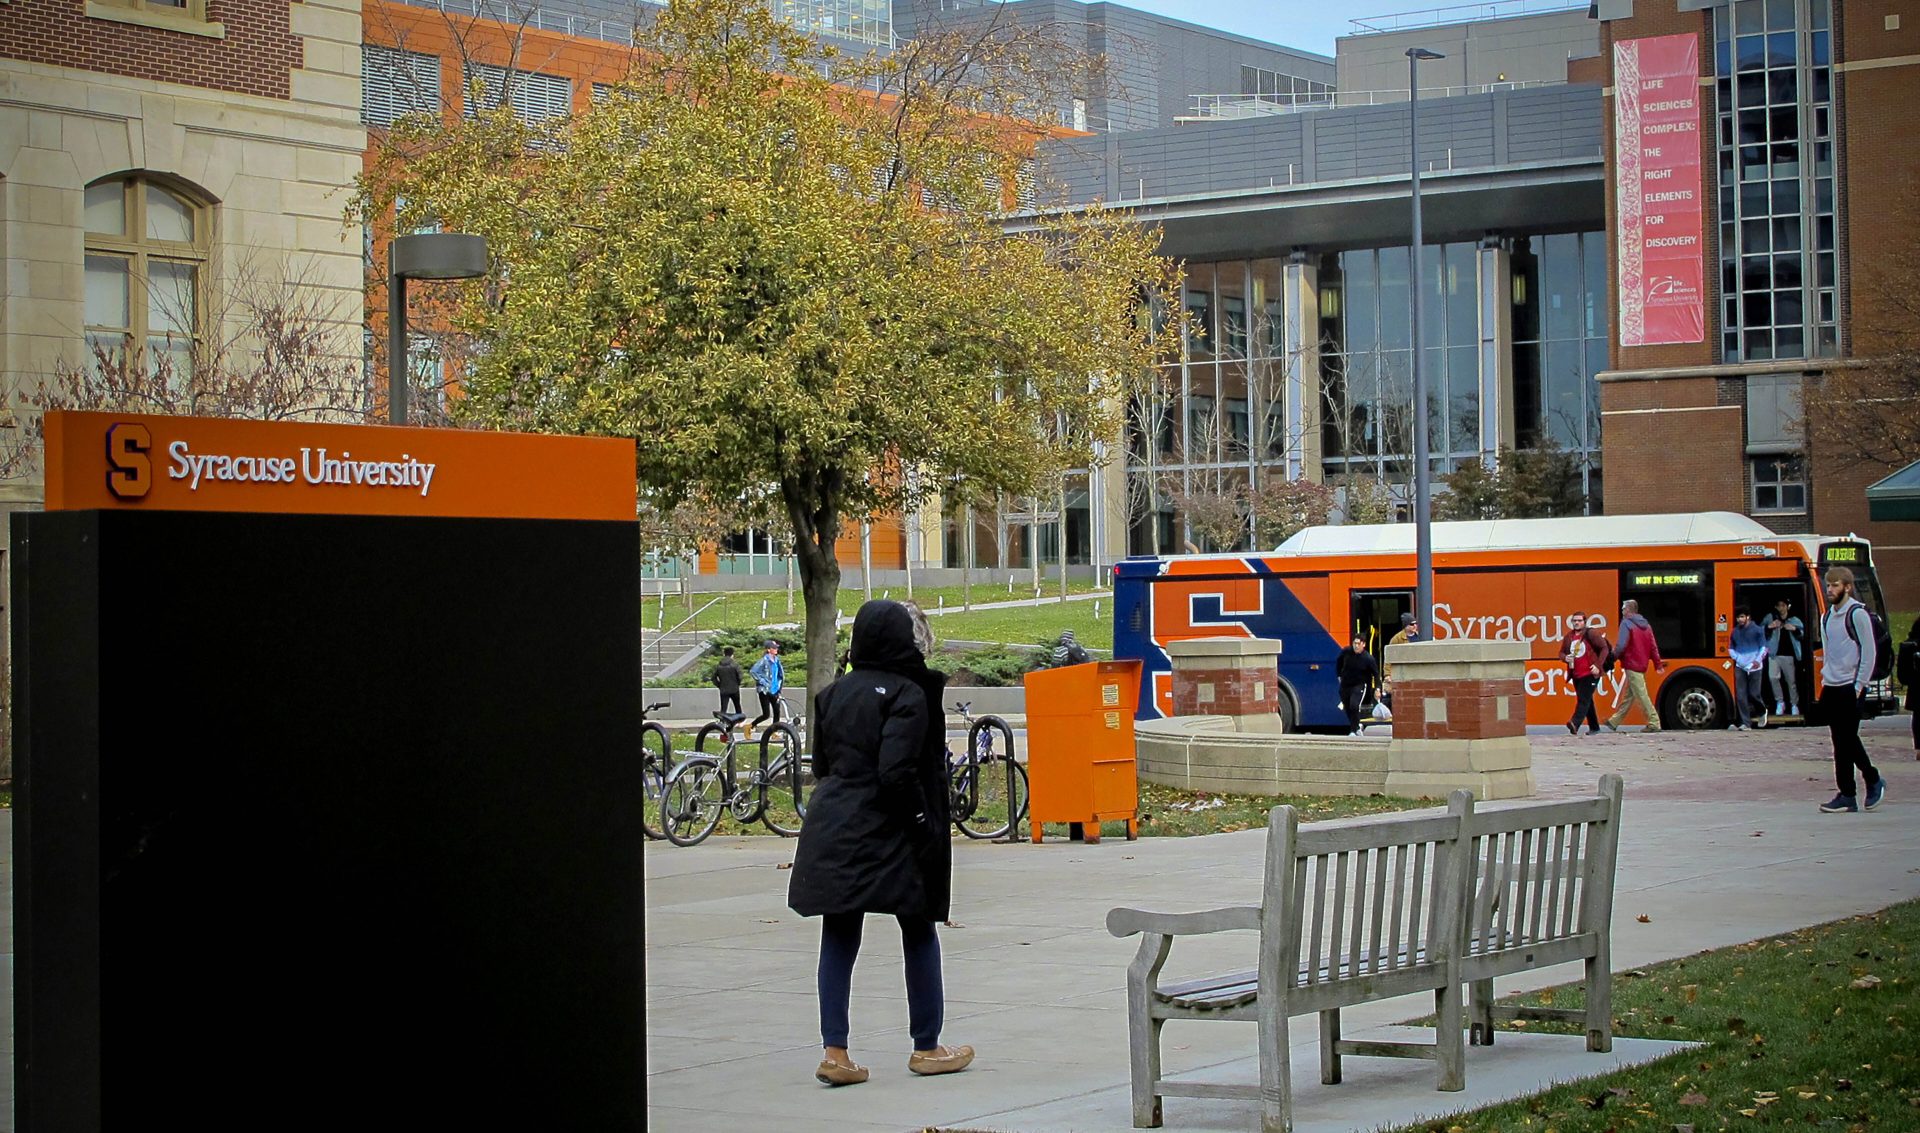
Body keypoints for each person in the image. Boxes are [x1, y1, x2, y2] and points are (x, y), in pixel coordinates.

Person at [787, 600, 972, 1085]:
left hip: (834, 826)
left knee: (840, 934)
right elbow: (897, 771)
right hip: (891, 831)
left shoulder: (832, 695)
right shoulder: (908, 694)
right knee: (918, 928)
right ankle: (927, 1046)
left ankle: (836, 1053)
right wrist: (922, 822)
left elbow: (823, 766)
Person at [1817, 567, 1884, 813]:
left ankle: (1853, 790)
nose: (1830, 590)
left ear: (1847, 587)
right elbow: (1829, 652)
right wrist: (1826, 679)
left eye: (1835, 586)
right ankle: (1863, 784)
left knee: (1845, 740)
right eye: (1828, 586)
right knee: (1842, 740)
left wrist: (1859, 686)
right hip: (1832, 685)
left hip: (1850, 686)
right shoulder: (1827, 617)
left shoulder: (1856, 614)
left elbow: (1869, 651)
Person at [1604, 599, 1666, 733]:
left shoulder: (1626, 623)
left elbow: (1621, 645)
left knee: (1641, 694)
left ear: (1628, 610)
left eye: (1623, 609)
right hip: (1642, 664)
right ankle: (1614, 721)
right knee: (1630, 695)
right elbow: (1653, 646)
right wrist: (1657, 664)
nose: (1621, 611)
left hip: (1631, 663)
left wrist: (1613, 657)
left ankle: (1654, 721)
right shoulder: (1647, 626)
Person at [1559, 611, 1610, 735]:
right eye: (1574, 620)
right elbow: (1561, 653)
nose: (1576, 623)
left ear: (1584, 622)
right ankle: (1594, 727)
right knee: (1587, 700)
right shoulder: (1569, 637)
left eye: (1579, 620)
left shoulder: (1591, 634)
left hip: (1591, 673)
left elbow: (1604, 648)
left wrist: (1598, 665)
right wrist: (1565, 658)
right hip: (1576, 674)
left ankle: (1575, 723)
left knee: (1583, 699)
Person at [1762, 599, 1804, 717]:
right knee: (1773, 678)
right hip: (1773, 654)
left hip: (1789, 655)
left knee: (1791, 681)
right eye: (1779, 605)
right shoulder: (1770, 618)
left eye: (1783, 605)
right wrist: (1769, 627)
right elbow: (1760, 631)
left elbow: (1804, 633)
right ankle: (1780, 702)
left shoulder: (1794, 620)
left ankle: (1794, 704)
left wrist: (1794, 629)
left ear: (1787, 607)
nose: (1781, 608)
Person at [1728, 608, 1768, 731]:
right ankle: (1746, 723)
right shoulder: (1734, 632)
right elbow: (1731, 648)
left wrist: (1756, 661)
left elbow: (1764, 648)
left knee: (1754, 694)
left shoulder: (1757, 630)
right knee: (1741, 695)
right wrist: (1738, 659)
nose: (1739, 620)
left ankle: (1762, 711)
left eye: (1742, 617)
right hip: (1740, 667)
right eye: (1738, 617)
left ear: (1748, 617)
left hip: (1755, 667)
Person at [1335, 634, 1379, 736]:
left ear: (1363, 644)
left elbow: (1376, 674)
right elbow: (1339, 661)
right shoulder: (1346, 652)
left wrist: (1377, 688)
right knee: (1347, 707)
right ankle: (1357, 726)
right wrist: (1339, 675)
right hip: (1345, 685)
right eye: (1354, 643)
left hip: (1359, 685)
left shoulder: (1368, 658)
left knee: (1354, 705)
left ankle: (1353, 730)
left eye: (1358, 644)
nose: (1356, 646)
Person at [745, 639, 784, 740]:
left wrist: (779, 688)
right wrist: (763, 681)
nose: (776, 650)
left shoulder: (777, 660)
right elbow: (753, 671)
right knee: (766, 714)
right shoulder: (764, 661)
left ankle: (774, 732)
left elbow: (780, 675)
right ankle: (750, 726)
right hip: (765, 691)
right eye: (774, 648)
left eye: (776, 648)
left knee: (777, 711)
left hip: (775, 690)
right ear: (768, 650)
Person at [1382, 612, 1418, 705]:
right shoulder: (1397, 639)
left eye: (1415, 623)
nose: (1415, 626)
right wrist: (1387, 674)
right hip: (1403, 671)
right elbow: (1389, 658)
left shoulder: (1420, 636)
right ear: (1405, 626)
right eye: (1412, 624)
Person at [712, 646, 743, 718]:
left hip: (724, 689)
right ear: (732, 654)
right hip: (734, 689)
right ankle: (740, 721)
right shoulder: (735, 665)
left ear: (724, 654)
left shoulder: (719, 665)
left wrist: (719, 685)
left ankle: (722, 722)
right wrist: (737, 684)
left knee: (723, 708)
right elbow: (740, 676)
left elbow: (713, 677)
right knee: (737, 706)